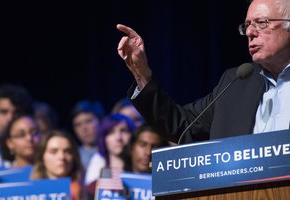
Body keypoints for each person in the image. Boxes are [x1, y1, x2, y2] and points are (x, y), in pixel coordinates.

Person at [116, 0, 290, 144]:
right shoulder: (237, 81)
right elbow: (181, 126)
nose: (250, 32)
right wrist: (141, 73)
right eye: (247, 25)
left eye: (261, 23)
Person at [84, 113, 136, 194]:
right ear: (104, 139)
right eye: (111, 132)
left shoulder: (142, 176)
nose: (118, 138)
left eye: (123, 131)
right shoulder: (94, 187)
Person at [30, 129, 87, 200]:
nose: (62, 157)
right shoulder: (30, 193)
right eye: (54, 152)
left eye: (67, 151)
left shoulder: (87, 192)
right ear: (42, 157)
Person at [71, 100, 104, 170]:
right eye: (78, 125)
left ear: (100, 121)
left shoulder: (112, 152)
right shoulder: (73, 158)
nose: (84, 128)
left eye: (88, 121)